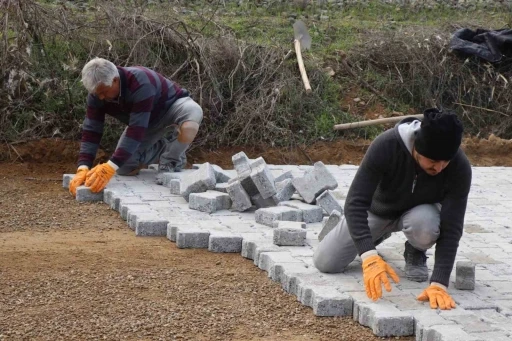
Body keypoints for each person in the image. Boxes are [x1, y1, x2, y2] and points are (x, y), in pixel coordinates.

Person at [313, 108, 472, 310]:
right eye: (433, 161)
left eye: (445, 163)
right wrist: (369, 256)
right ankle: (375, 237)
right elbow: (355, 202)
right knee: (326, 262)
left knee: (425, 225)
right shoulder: (386, 145)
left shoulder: (459, 167)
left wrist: (439, 283)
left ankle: (415, 249)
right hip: (378, 212)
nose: (439, 168)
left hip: (419, 217)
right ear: (417, 148)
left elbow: (453, 226)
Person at [69, 57, 203, 196]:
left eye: (103, 91)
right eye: (97, 93)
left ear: (115, 80)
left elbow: (136, 130)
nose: (101, 97)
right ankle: (166, 144)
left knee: (191, 121)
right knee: (124, 168)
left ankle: (171, 160)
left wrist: (110, 166)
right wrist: (83, 167)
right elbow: (92, 131)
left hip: (172, 107)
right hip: (147, 121)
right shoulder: (97, 95)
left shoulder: (140, 82)